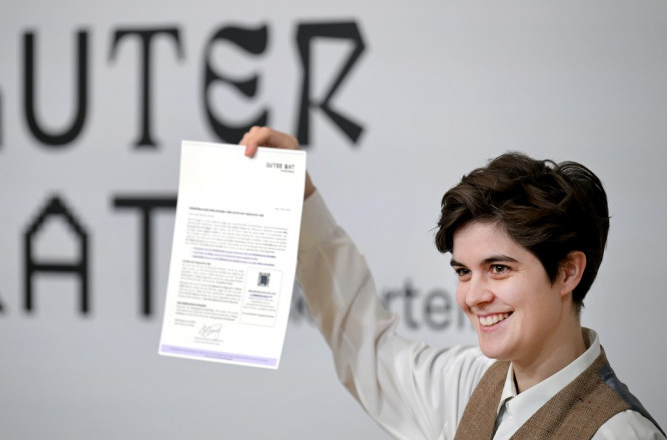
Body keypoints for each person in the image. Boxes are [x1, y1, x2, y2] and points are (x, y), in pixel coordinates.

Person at [239, 126, 665, 439]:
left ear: (568, 272)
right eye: (463, 271)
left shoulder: (620, 434)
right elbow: (366, 344)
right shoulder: (469, 381)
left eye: (499, 268)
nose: (473, 296)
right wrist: (300, 195)